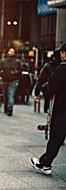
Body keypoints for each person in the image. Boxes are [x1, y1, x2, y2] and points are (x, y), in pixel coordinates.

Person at [31, 42, 66, 175]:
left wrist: (45, 88)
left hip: (62, 108)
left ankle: (45, 164)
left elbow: (50, 89)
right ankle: (44, 161)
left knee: (56, 137)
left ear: (63, 54)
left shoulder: (61, 69)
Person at [0, 48, 21, 116]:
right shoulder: (3, 61)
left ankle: (10, 109)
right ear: (8, 52)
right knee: (5, 95)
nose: (11, 53)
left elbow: (21, 70)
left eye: (13, 52)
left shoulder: (17, 62)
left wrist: (16, 72)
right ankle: (6, 107)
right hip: (4, 80)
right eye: (10, 51)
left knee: (10, 95)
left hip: (13, 81)